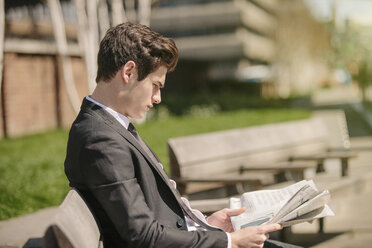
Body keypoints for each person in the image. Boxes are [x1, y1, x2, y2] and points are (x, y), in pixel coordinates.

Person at [64, 22, 301, 248]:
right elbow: (143, 236)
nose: (158, 98)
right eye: (155, 85)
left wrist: (205, 223)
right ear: (129, 71)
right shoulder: (99, 138)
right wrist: (229, 242)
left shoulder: (109, 125)